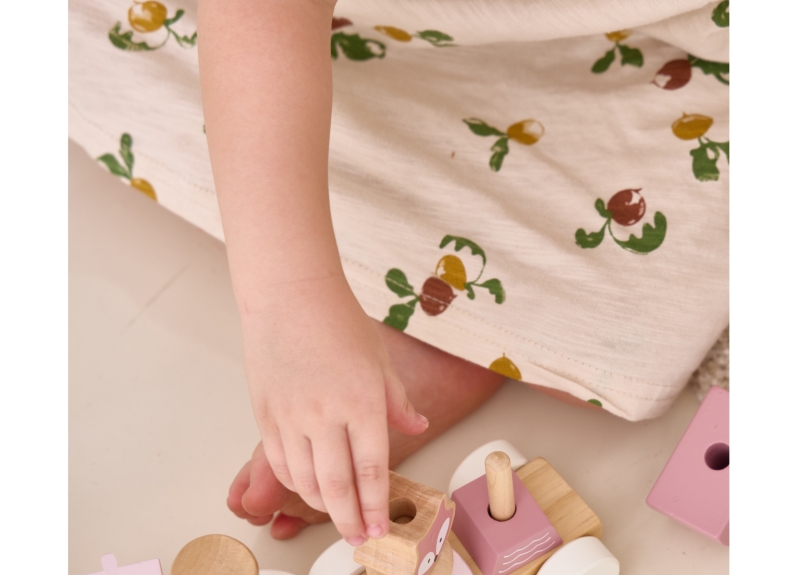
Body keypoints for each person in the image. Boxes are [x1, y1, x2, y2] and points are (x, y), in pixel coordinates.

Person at [69, 0, 730, 544]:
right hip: (332, 30)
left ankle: (456, 319)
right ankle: (428, 309)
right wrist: (291, 301)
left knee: (641, 302)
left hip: (657, 47)